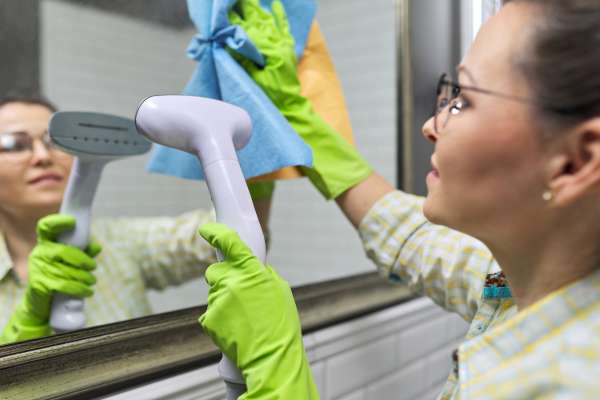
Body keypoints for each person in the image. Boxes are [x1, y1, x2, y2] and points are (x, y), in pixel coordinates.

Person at [196, 0, 600, 398]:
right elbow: (411, 238)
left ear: (576, 162)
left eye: (465, 100)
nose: (430, 126)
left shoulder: (573, 381)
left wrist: (276, 364)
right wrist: (294, 115)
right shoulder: (521, 283)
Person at [0, 93, 273, 344]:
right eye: (13, 144)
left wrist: (255, 130)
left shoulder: (121, 241)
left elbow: (234, 236)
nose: (42, 156)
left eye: (52, 139)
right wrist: (28, 321)